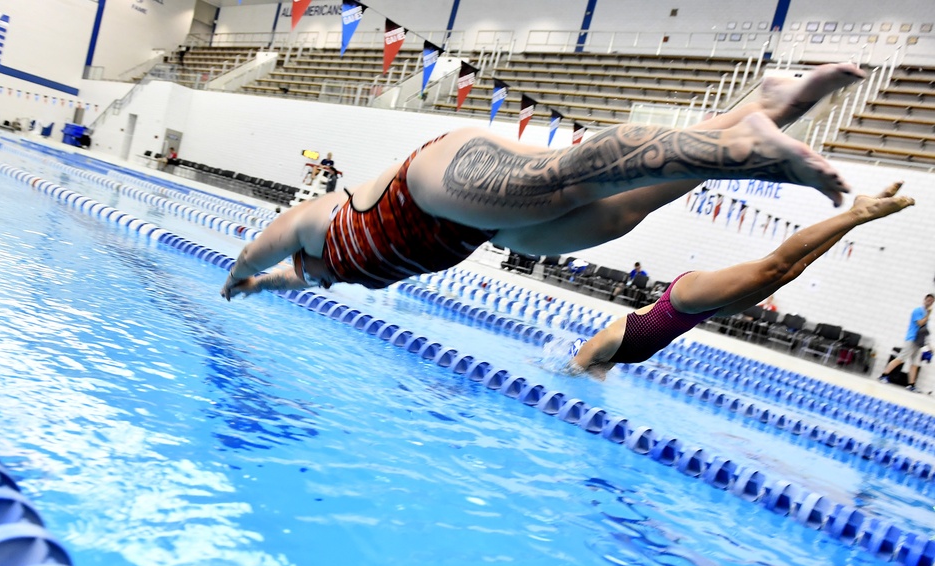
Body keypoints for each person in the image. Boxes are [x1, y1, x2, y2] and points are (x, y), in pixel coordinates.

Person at [221, 63, 862, 301]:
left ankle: (745, 146)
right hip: (478, 228)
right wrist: (254, 290)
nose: (306, 274)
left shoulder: (317, 223)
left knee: (568, 180)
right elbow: (285, 275)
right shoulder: (327, 271)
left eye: (304, 272)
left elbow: (262, 249)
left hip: (429, 184)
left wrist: (236, 272)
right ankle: (767, 107)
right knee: (617, 215)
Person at [571, 183, 914, 377]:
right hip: (703, 313)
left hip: (682, 300)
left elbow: (570, 370)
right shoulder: (606, 367)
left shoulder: (597, 347)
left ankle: (857, 212)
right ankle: (856, 217)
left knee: (772, 266)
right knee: (791, 272)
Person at [878, 293, 934, 391]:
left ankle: (911, 385)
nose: (930, 303)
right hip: (912, 339)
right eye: (928, 300)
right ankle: (883, 375)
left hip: (919, 342)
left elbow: (924, 331)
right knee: (901, 358)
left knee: (915, 364)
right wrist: (928, 315)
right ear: (924, 300)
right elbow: (920, 323)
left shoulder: (925, 314)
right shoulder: (918, 311)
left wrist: (929, 346)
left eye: (932, 301)